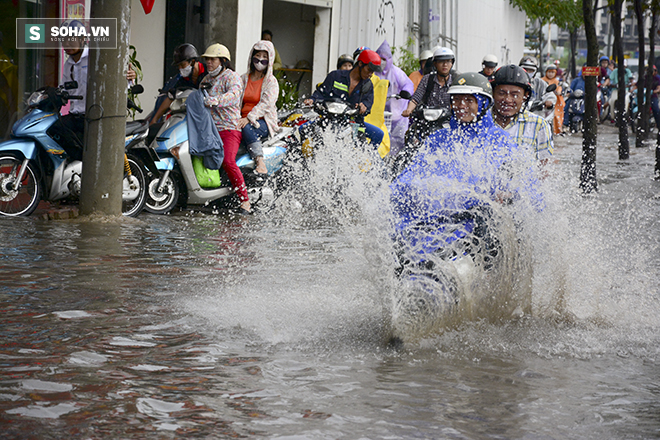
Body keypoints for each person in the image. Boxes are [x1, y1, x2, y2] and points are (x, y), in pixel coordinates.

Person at [391, 72, 540, 256]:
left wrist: (506, 194)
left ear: (484, 103)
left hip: (472, 226)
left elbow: (524, 185)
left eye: (469, 100)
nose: (461, 106)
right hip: (434, 218)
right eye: (457, 100)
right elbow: (415, 172)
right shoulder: (439, 137)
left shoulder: (501, 141)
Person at [199, 43, 252, 214]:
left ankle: (245, 201)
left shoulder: (232, 77)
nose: (209, 63)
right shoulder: (206, 79)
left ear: (222, 60)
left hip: (229, 128)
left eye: (212, 59)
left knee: (228, 161)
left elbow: (234, 95)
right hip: (209, 129)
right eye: (207, 59)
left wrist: (215, 100)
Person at [303, 49, 385, 147]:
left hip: (355, 124)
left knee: (379, 135)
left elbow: (368, 103)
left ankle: (373, 159)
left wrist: (364, 107)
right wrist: (312, 100)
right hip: (330, 121)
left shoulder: (368, 85)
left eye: (373, 72)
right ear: (360, 64)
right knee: (302, 130)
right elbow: (320, 93)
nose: (370, 74)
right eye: (369, 70)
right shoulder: (335, 76)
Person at [491, 64, 554, 164]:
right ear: (493, 93)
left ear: (525, 96)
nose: (507, 100)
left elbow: (543, 169)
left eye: (515, 95)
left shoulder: (539, 125)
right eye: (501, 93)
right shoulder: (481, 121)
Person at [239, 40, 280, 176]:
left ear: (270, 59)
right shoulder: (243, 79)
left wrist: (249, 118)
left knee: (247, 128)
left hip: (262, 121)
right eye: (258, 55)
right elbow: (235, 100)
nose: (260, 60)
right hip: (241, 119)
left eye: (265, 56)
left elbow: (266, 104)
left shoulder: (271, 82)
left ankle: (260, 162)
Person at [150, 43, 207, 125]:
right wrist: (154, 120)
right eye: (178, 66)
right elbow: (171, 97)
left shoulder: (208, 74)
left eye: (182, 65)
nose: (180, 68)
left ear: (192, 62)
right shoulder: (183, 79)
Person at [376, 40, 415, 156]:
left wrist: (405, 92)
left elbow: (408, 84)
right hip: (378, 113)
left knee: (398, 141)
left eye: (384, 59)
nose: (382, 62)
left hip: (397, 115)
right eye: (380, 58)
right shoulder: (372, 72)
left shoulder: (397, 72)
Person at [59, 19, 89, 160]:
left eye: (71, 39)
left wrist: (128, 76)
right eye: (64, 40)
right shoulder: (68, 63)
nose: (67, 44)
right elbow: (63, 87)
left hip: (91, 117)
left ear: (82, 39)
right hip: (75, 116)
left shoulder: (93, 59)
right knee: (53, 128)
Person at [402, 47, 456, 118]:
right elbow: (416, 98)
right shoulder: (427, 79)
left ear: (452, 64)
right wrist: (409, 110)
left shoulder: (455, 81)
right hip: (427, 120)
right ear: (435, 64)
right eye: (441, 61)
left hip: (448, 121)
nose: (445, 64)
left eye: (448, 61)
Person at [541, 64, 565, 135]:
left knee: (556, 117)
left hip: (555, 102)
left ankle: (556, 131)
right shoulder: (541, 80)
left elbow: (559, 89)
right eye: (549, 72)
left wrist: (559, 91)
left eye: (552, 72)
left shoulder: (556, 81)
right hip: (543, 101)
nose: (550, 74)